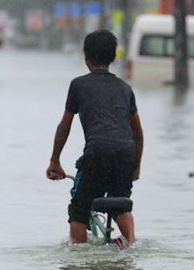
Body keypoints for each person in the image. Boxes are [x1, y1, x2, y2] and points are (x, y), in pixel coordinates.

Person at [46, 30, 144, 247]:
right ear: (113, 58)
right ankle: (130, 244)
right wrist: (136, 166)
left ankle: (80, 256)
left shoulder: (78, 85)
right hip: (126, 151)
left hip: (98, 150)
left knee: (79, 210)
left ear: (86, 59)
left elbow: (65, 125)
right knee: (121, 204)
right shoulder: (125, 88)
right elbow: (137, 132)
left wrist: (55, 160)